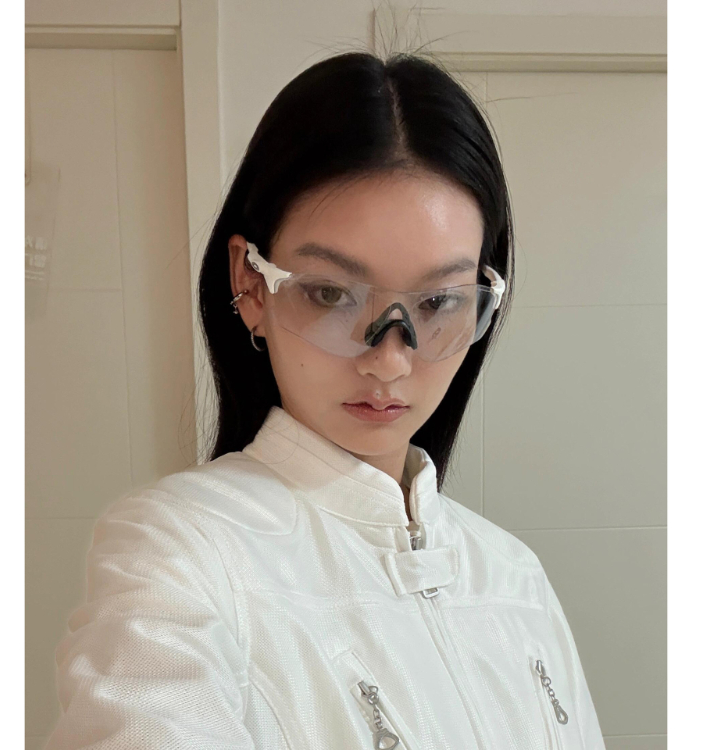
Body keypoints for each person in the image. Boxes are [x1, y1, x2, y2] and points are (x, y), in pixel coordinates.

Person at [46, 49, 605, 749]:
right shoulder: (181, 553)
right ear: (251, 285)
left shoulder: (513, 576)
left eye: (438, 301)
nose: (390, 358)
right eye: (332, 293)